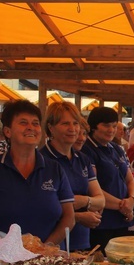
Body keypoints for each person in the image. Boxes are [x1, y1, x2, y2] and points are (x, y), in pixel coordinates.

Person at [0, 100, 75, 245]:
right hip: (1, 261)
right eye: (23, 123)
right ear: (7, 131)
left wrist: (45, 248)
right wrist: (0, 249)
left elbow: (69, 217)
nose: (31, 128)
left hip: (47, 262)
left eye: (35, 123)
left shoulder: (55, 170)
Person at [40, 102, 105, 252]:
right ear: (51, 128)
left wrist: (82, 201)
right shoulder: (42, 160)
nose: (73, 129)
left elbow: (100, 201)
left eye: (75, 123)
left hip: (81, 241)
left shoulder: (82, 159)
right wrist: (80, 216)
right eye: (65, 124)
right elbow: (45, 207)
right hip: (51, 243)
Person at [81, 106, 134, 253]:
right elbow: (92, 187)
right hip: (101, 221)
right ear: (93, 127)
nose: (111, 130)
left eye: (114, 126)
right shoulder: (86, 150)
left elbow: (130, 180)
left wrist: (132, 200)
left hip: (122, 219)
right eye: (106, 125)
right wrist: (123, 206)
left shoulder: (116, 148)